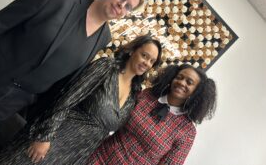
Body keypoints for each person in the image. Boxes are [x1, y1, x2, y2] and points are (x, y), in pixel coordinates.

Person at [0, 0, 147, 143]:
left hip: (13, 102)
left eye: (129, 6)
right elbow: (2, 21)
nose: (121, 5)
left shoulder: (104, 37)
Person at [0, 35, 162, 164]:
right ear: (132, 50)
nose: (146, 62)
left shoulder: (135, 95)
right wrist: (44, 136)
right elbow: (68, 98)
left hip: (76, 155)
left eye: (152, 61)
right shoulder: (106, 68)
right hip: (53, 139)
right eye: (144, 55)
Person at [87, 63, 217, 165]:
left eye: (189, 82)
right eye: (179, 77)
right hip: (97, 156)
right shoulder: (147, 95)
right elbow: (115, 117)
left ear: (196, 91)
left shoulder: (187, 132)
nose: (182, 83)